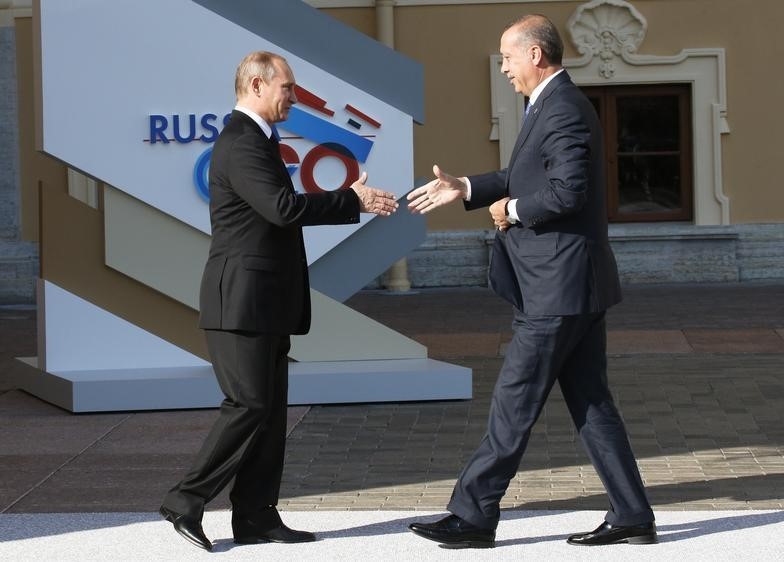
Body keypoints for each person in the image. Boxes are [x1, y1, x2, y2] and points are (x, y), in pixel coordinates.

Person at [406, 15, 656, 548]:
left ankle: (473, 515)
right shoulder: (549, 104)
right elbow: (530, 175)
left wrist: (511, 210)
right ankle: (633, 515)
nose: (504, 68)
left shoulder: (562, 108)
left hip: (557, 287)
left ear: (536, 55)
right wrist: (467, 187)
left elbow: (567, 192)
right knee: (592, 403)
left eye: (507, 58)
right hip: (570, 285)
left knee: (514, 398)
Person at [159, 51, 398, 551]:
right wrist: (351, 200)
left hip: (264, 301)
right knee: (247, 405)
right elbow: (282, 208)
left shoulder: (259, 141)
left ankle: (255, 517)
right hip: (240, 302)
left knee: (268, 413)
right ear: (256, 84)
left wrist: (353, 201)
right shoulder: (241, 141)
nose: (293, 97)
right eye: (287, 88)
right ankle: (185, 501)